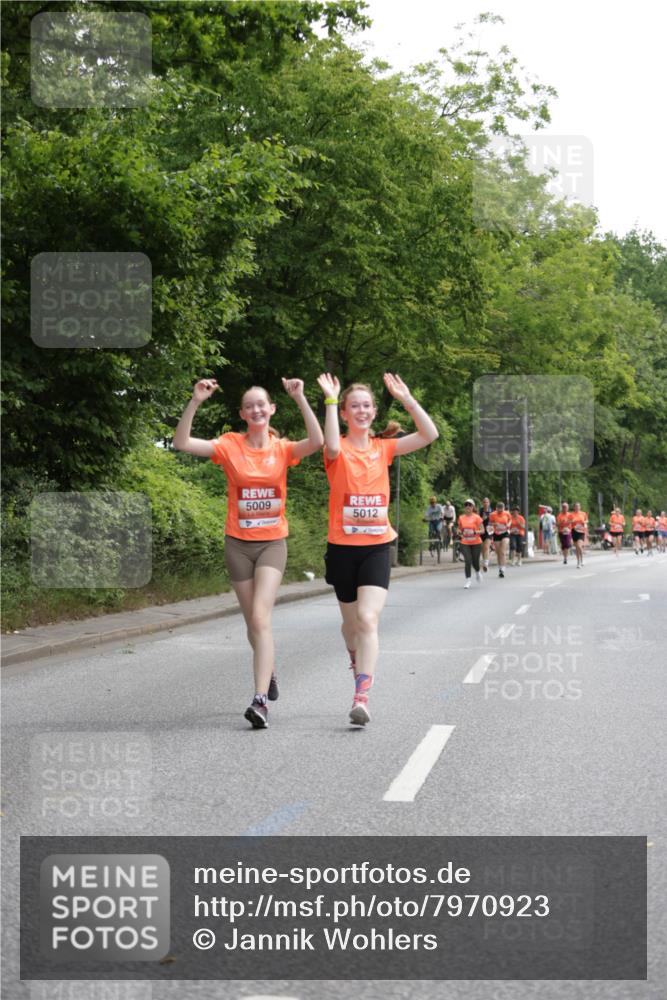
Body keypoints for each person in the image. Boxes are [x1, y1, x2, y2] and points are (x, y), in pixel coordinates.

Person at [173, 377, 323, 729]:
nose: (256, 409)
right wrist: (195, 401)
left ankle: (259, 702)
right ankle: (267, 668)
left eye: (262, 404)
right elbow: (181, 443)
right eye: (249, 405)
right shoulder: (229, 446)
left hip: (272, 543)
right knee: (251, 624)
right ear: (243, 414)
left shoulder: (283, 449)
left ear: (271, 409)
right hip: (237, 544)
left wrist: (300, 398)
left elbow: (317, 441)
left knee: (260, 617)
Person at [317, 371, 438, 726]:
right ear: (344, 413)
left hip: (376, 546)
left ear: (373, 411)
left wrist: (407, 399)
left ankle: (362, 696)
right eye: (354, 406)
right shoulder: (335, 449)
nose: (362, 410)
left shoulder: (384, 448)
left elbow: (430, 434)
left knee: (368, 619)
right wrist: (328, 399)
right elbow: (333, 447)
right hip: (341, 548)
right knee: (351, 626)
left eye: (367, 405)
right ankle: (356, 657)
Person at [458, 499, 484, 588]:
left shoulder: (477, 517)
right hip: (465, 542)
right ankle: (468, 580)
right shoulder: (461, 517)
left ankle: (477, 572)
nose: (468, 506)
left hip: (476, 542)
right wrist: (459, 532)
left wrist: (474, 532)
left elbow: (483, 531)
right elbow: (459, 529)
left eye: (470, 505)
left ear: (473, 507)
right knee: (468, 561)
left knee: (475, 561)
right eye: (466, 505)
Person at [488, 501, 512, 578]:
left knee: (502, 551)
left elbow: (510, 520)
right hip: (496, 534)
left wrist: (508, 524)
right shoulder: (492, 514)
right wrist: (495, 524)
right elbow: (490, 523)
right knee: (498, 553)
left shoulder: (507, 513)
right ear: (496, 508)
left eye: (502, 509)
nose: (500, 511)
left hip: (505, 533)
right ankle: (500, 568)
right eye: (499, 509)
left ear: (504, 508)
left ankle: (503, 568)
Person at [570, 501, 588, 568]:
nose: (577, 507)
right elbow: (568, 522)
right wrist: (572, 521)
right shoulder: (571, 514)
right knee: (577, 547)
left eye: (578, 506)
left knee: (579, 546)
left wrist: (584, 522)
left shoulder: (583, 513)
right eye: (576, 506)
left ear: (580, 507)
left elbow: (586, 520)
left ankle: (582, 560)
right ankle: (578, 562)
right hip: (574, 531)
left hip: (581, 531)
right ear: (574, 507)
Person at [479, 497, 492, 571]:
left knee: (486, 546)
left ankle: (486, 564)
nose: (485, 503)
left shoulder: (492, 511)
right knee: (482, 547)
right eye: (484, 502)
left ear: (489, 503)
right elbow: (477, 520)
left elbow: (495, 520)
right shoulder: (480, 511)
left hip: (489, 530)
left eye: (487, 502)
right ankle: (484, 561)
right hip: (481, 530)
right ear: (482, 503)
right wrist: (482, 519)